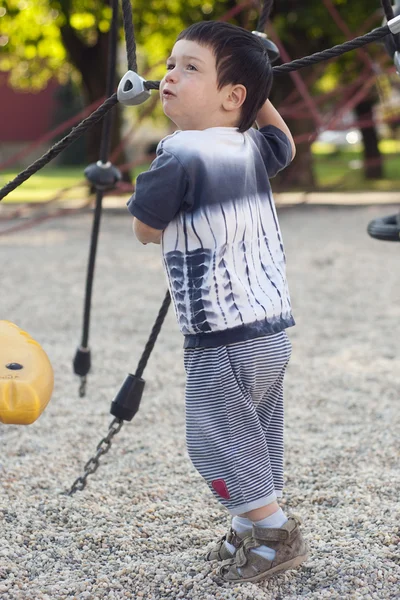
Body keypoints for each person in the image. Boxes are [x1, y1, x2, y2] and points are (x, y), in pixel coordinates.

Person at [127, 20, 308, 583]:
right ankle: (249, 529)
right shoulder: (250, 146)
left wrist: (253, 80)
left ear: (231, 97)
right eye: (170, 64)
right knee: (255, 434)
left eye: (190, 68)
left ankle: (275, 533)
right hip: (271, 329)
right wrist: (260, 87)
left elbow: (145, 229)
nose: (169, 76)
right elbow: (285, 141)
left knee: (213, 440)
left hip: (222, 333)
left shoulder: (178, 157)